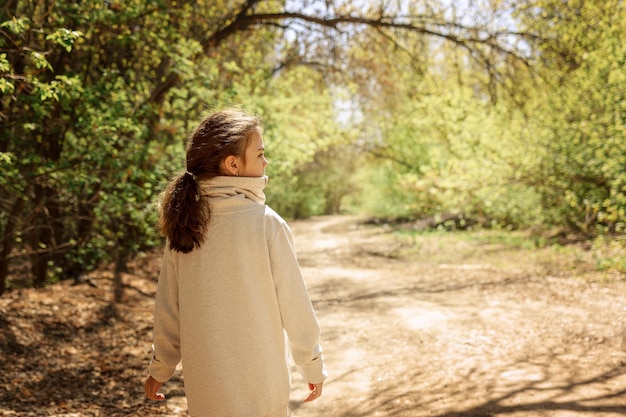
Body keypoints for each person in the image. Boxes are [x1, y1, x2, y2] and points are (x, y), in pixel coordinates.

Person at [144, 109, 327, 417]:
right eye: (260, 154)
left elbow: (168, 309)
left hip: (207, 392)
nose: (266, 162)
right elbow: (295, 306)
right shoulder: (267, 224)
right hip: (263, 388)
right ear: (233, 165)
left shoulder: (185, 226)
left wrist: (161, 367)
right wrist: (312, 365)